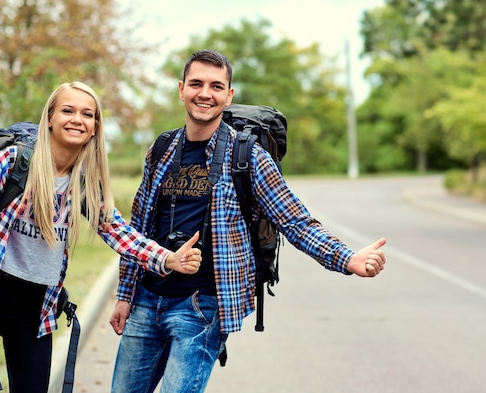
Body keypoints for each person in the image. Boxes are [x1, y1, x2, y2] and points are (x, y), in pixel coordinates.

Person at [108, 49, 387, 393]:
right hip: (147, 300)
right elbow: (138, 228)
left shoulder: (248, 157)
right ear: (181, 89)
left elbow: (295, 221)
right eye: (196, 84)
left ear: (229, 95)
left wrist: (347, 258)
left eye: (216, 85)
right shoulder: (161, 148)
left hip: (201, 306)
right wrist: (125, 294)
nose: (205, 93)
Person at [0, 81, 202, 393]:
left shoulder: (85, 183)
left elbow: (118, 232)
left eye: (87, 114)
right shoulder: (12, 162)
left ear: (94, 128)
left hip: (36, 306)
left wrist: (168, 258)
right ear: (49, 118)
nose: (77, 119)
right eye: (68, 110)